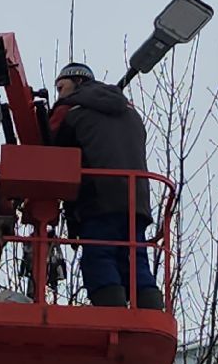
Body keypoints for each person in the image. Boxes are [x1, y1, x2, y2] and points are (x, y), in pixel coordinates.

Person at [47, 62, 163, 309]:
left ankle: (111, 311)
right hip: (136, 199)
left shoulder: (69, 110)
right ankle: (150, 308)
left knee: (99, 256)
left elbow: (48, 149)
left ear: (77, 81)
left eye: (61, 87)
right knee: (134, 257)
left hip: (99, 197)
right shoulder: (129, 111)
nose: (59, 95)